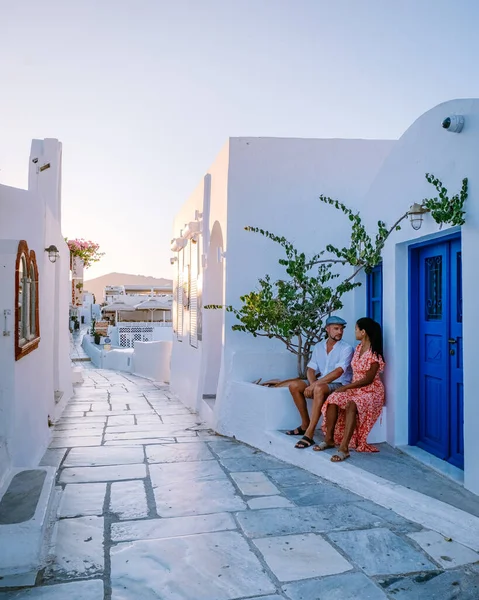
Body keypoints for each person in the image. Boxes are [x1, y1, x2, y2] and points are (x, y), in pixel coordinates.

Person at [313, 317, 385, 461]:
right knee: (333, 399)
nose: (354, 332)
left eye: (356, 329)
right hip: (355, 389)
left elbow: (368, 379)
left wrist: (346, 387)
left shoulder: (374, 354)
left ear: (363, 332)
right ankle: (329, 439)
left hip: (371, 391)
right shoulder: (358, 348)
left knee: (352, 404)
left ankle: (344, 448)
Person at [286, 316, 354, 449]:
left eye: (341, 329)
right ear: (327, 329)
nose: (339, 332)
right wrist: (312, 383)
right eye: (336, 328)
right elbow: (311, 369)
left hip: (339, 384)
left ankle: (309, 434)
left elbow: (338, 372)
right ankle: (305, 424)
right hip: (321, 383)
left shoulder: (346, 348)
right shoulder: (319, 347)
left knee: (319, 388)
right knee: (294, 386)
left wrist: (315, 385)